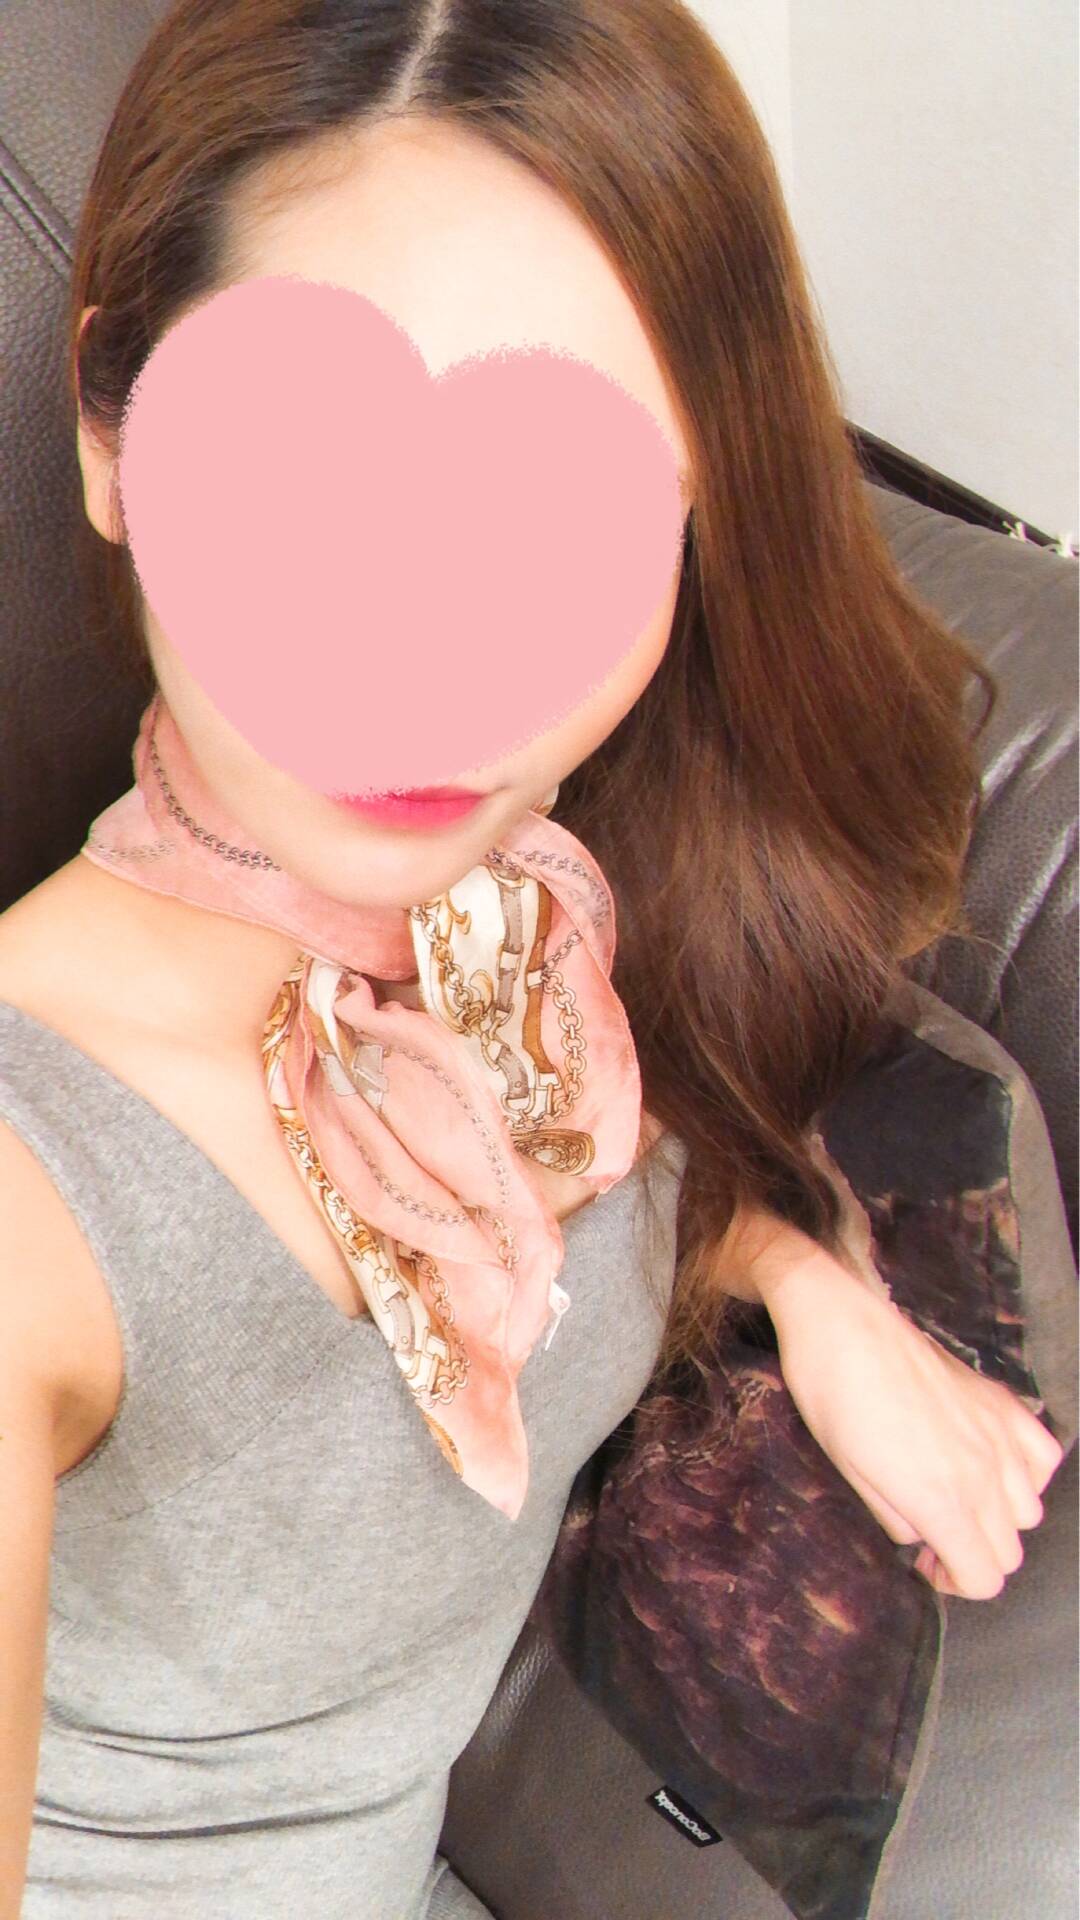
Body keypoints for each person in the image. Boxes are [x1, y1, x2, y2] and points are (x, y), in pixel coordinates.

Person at [0, 3, 1064, 1916]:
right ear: (112, 434)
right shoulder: (31, 1187)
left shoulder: (537, 926)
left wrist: (805, 1286)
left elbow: (591, 1191)